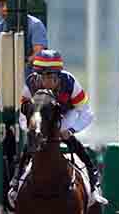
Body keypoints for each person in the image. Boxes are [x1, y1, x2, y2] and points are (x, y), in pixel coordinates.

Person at [21, 50, 103, 201]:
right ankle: (16, 182)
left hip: (66, 114)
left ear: (58, 75)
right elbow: (22, 113)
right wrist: (31, 129)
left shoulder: (70, 83)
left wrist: (70, 131)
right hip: (41, 117)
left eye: (50, 76)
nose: (45, 82)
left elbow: (87, 113)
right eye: (41, 76)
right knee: (30, 142)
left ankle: (93, 180)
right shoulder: (30, 83)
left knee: (66, 134)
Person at [0, 0, 48, 118]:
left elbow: (39, 53)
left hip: (35, 85)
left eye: (7, 4)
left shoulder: (35, 25)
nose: (4, 8)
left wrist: (19, 63)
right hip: (10, 88)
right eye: (0, 5)